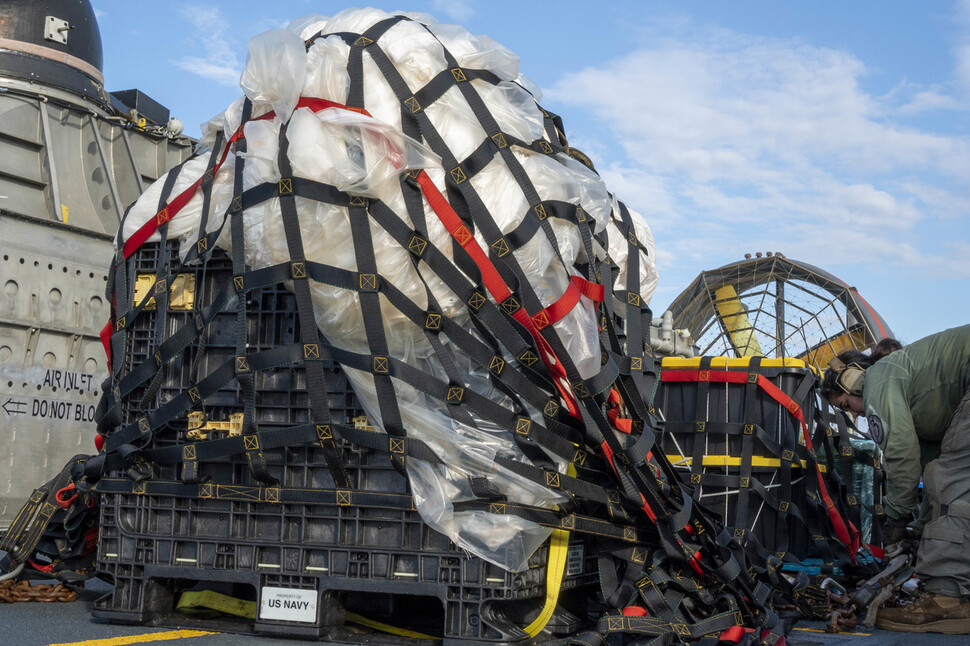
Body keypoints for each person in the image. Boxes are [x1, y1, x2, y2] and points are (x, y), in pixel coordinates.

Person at [821, 325, 970, 633]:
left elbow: (902, 459)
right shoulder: (931, 410)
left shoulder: (879, 379)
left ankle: (945, 603)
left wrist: (896, 524)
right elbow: (933, 487)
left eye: (847, 406)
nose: (858, 417)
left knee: (951, 479)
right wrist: (918, 530)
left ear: (853, 380)